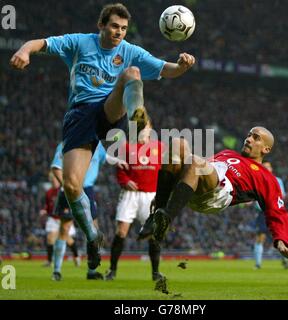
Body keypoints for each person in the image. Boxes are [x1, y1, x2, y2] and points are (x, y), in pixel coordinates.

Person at [10, 3, 195, 271]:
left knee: (132, 73)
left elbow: (165, 69)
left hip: (111, 111)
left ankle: (137, 114)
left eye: (123, 28)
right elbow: (39, 43)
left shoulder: (129, 50)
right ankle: (93, 238)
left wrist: (182, 65)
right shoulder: (79, 43)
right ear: (101, 25)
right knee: (72, 186)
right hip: (80, 115)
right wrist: (24, 50)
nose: (119, 32)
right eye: (114, 26)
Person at [138, 127, 288, 267]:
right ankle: (157, 215)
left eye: (255, 138)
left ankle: (166, 218)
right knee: (178, 143)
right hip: (198, 184)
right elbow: (193, 172)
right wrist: (167, 193)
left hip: (219, 193)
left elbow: (277, 210)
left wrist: (281, 240)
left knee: (196, 161)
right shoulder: (228, 153)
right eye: (249, 135)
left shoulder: (267, 178)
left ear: (266, 149)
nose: (249, 139)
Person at [105, 107, 165, 281]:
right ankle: (112, 270)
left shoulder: (160, 148)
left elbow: (166, 170)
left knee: (153, 234)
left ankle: (155, 273)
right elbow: (120, 169)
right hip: (130, 195)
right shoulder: (127, 147)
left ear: (150, 128)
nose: (143, 129)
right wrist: (125, 181)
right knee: (121, 232)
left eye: (145, 126)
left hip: (150, 196)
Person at [50, 141, 107, 281]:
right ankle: (56, 271)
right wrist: (67, 186)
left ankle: (91, 271)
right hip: (70, 189)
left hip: (87, 188)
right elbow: (56, 168)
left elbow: (104, 159)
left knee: (93, 229)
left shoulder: (98, 145)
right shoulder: (66, 143)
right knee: (64, 229)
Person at [253, 161, 288, 269]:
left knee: (279, 238)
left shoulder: (278, 181)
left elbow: (282, 195)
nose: (266, 168)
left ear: (272, 169)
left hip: (274, 212)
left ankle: (285, 260)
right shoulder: (256, 180)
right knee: (260, 238)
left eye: (268, 167)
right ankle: (258, 264)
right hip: (262, 213)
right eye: (264, 167)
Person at [39, 171, 80, 268]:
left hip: (64, 218)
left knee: (68, 240)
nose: (53, 181)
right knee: (50, 238)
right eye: (51, 179)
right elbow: (47, 206)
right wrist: (44, 210)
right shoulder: (49, 192)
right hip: (53, 218)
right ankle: (49, 261)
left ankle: (76, 256)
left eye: (54, 179)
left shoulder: (62, 191)